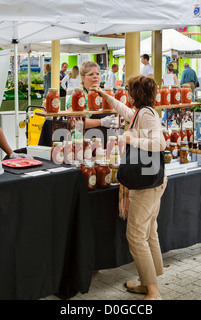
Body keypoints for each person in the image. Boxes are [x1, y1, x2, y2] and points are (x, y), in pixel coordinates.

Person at [95, 75, 167, 300]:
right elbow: (125, 111)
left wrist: (131, 139)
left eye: (129, 90)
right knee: (148, 232)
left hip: (146, 184)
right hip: (154, 181)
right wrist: (105, 96)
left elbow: (160, 143)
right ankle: (150, 282)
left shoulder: (145, 115)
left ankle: (152, 291)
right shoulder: (141, 112)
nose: (126, 94)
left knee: (136, 235)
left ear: (135, 94)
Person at [65, 61, 115, 145]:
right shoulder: (77, 96)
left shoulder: (106, 95)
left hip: (108, 140)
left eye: (97, 74)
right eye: (91, 74)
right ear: (83, 78)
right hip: (86, 141)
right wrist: (102, 122)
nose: (95, 76)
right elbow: (75, 123)